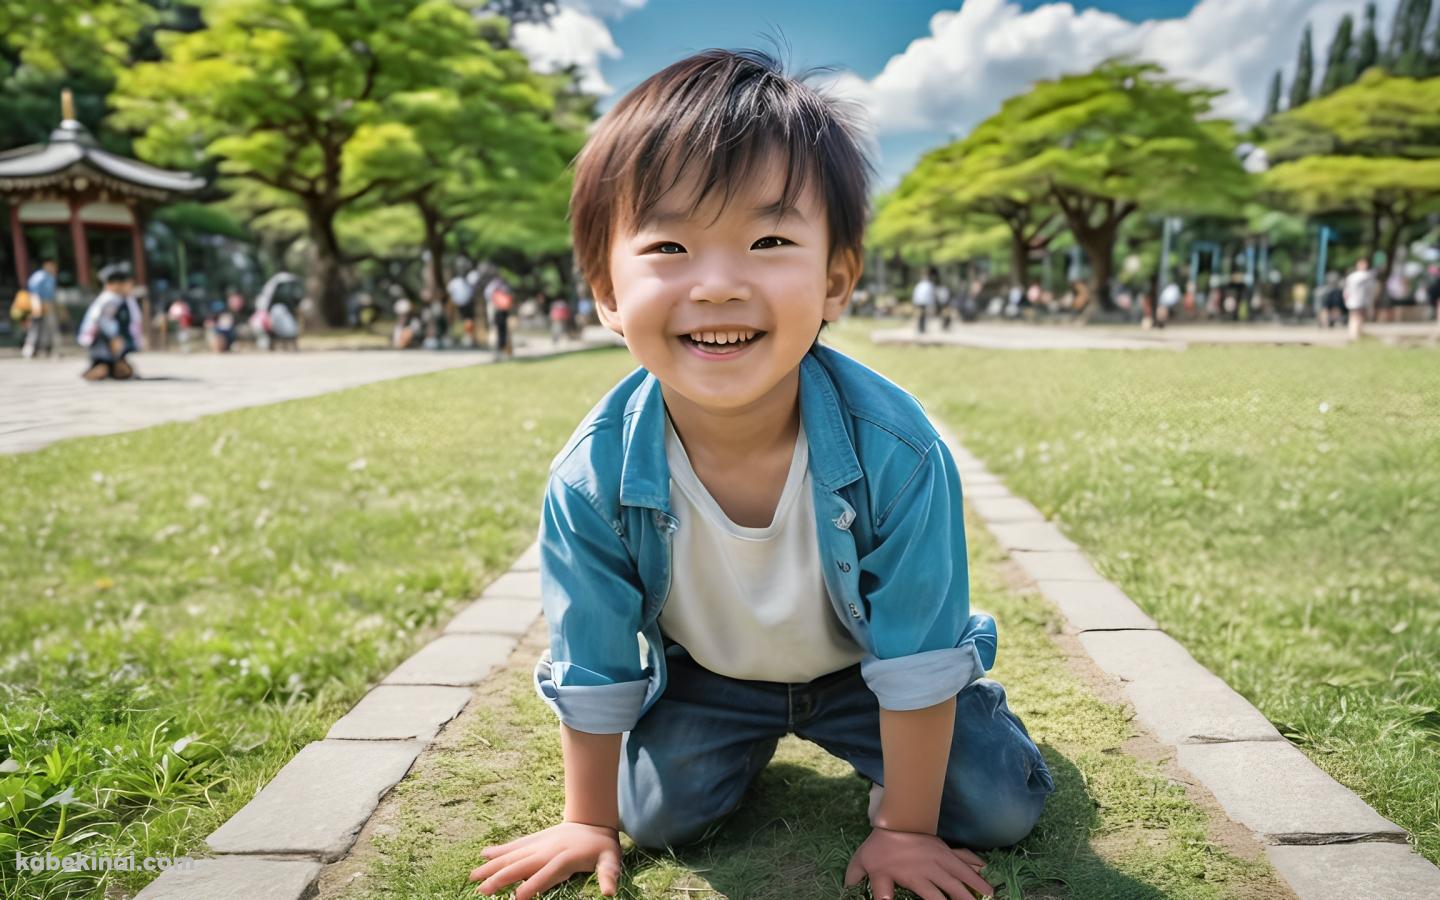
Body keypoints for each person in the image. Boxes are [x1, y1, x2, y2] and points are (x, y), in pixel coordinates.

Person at [467, 49, 1051, 900]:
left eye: (770, 240)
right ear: (606, 292)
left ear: (835, 279)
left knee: (999, 808)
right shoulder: (590, 478)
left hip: (866, 667)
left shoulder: (899, 452)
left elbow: (916, 655)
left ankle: (959, 732)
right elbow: (593, 658)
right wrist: (588, 821)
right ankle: (736, 750)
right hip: (714, 680)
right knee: (655, 817)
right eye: (668, 244)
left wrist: (904, 830)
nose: (717, 285)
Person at [77, 263, 144, 380]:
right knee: (107, 362)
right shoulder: (109, 300)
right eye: (128, 284)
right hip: (105, 341)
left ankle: (113, 367)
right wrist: (113, 336)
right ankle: (103, 368)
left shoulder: (123, 299)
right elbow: (102, 321)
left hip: (117, 342)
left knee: (126, 370)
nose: (131, 287)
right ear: (115, 285)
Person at [22, 257, 59, 359]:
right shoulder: (39, 276)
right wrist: (37, 307)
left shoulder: (51, 277)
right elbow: (34, 293)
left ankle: (45, 349)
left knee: (48, 329)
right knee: (35, 328)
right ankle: (29, 350)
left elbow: (52, 294)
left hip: (48, 305)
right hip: (38, 304)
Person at [1343, 257, 1377, 340]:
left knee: (1354, 316)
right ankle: (1356, 334)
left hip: (1355, 300)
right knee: (1358, 316)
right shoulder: (1367, 276)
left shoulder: (1352, 276)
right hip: (1359, 300)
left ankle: (1354, 333)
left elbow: (1346, 290)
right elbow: (1371, 289)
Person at [484, 274, 515, 360]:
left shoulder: (491, 286)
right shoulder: (505, 286)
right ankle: (503, 350)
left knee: (495, 330)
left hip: (496, 310)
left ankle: (498, 351)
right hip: (502, 311)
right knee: (503, 331)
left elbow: (487, 295)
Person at [448, 266, 478, 348]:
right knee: (467, 320)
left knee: (466, 321)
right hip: (462, 303)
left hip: (461, 303)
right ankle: (464, 337)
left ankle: (468, 338)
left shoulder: (456, 281)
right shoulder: (461, 281)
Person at [911, 266, 937, 333]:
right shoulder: (927, 284)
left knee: (922, 316)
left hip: (921, 302)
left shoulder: (921, 284)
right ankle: (921, 328)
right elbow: (931, 295)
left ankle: (922, 328)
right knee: (922, 316)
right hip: (923, 302)